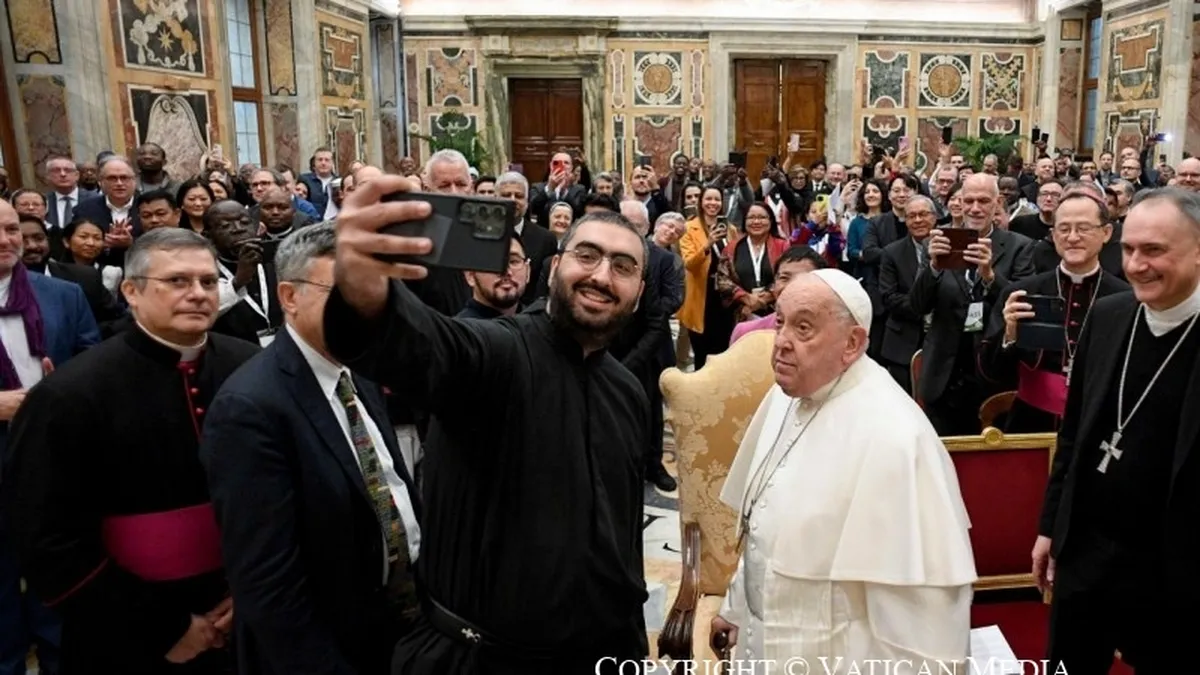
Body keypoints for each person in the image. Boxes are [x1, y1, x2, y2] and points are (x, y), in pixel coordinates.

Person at [322, 170, 649, 673]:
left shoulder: (627, 392)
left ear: (639, 291)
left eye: (622, 266)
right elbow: (430, 347)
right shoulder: (499, 351)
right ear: (553, 268)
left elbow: (624, 543)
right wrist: (366, 292)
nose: (602, 277)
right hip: (474, 660)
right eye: (587, 256)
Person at [2, 228, 260, 674]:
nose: (198, 293)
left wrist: (254, 592)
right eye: (177, 281)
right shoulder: (70, 394)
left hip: (248, 609)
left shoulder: (250, 366)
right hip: (124, 627)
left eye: (207, 281)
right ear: (131, 292)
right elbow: (46, 537)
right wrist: (163, 627)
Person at [713, 269, 976, 672]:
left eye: (803, 328)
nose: (781, 341)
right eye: (780, 322)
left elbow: (922, 619)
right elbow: (764, 527)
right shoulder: (785, 397)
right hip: (763, 640)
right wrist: (735, 607)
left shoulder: (897, 437)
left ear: (852, 343)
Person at [200, 223, 421, 674]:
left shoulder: (358, 371)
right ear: (290, 296)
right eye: (342, 292)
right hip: (330, 643)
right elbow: (267, 582)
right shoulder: (250, 407)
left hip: (401, 622)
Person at [1034, 188, 1200, 672]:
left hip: (1174, 567)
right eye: (1128, 249)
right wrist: (1050, 526)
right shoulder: (1109, 316)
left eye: (1154, 250)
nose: (1136, 266)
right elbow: (1073, 435)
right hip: (1086, 552)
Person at [982, 191, 1128, 432]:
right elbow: (991, 373)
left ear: (1106, 233)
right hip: (1031, 423)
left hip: (1100, 423)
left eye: (1083, 228)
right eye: (1064, 229)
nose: (1073, 237)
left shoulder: (1126, 297)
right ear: (1052, 234)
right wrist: (1009, 335)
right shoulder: (1021, 293)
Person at [728, 245, 825, 345]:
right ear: (774, 285)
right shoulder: (746, 333)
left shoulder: (830, 333)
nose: (791, 286)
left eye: (802, 279)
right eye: (784, 278)